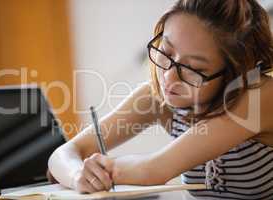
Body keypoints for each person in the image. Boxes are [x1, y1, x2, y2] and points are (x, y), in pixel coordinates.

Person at [48, 0, 273, 199]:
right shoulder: (160, 97)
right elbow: (64, 153)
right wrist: (78, 173)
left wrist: (100, 170)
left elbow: (154, 170)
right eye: (165, 52)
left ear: (236, 72)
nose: (169, 76)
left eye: (193, 68)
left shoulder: (261, 94)